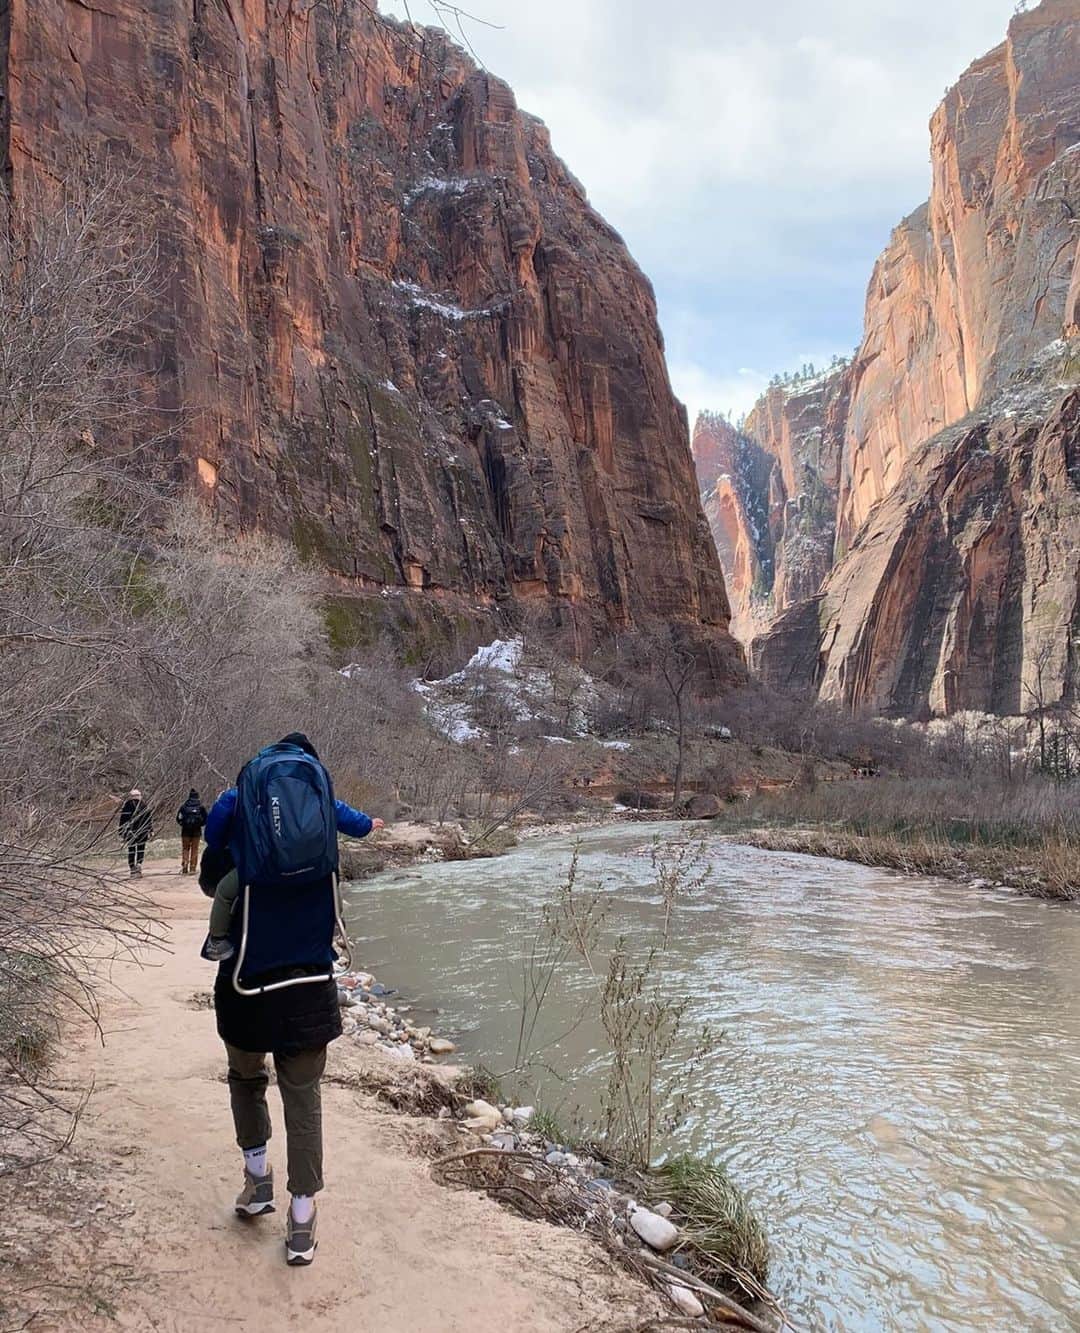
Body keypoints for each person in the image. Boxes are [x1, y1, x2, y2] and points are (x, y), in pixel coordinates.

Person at [202, 732, 383, 1266]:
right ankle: (301, 1225)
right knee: (303, 1097)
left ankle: (258, 1183)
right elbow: (362, 824)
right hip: (309, 982)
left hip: (246, 982)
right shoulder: (324, 801)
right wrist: (370, 824)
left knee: (246, 1078)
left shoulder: (244, 791)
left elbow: (213, 843)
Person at [118, 789, 153, 877]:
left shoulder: (127, 806)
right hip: (143, 831)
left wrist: (121, 831)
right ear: (139, 796)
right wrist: (150, 830)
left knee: (131, 850)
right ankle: (139, 865)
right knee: (141, 848)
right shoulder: (144, 805)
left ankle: (132, 868)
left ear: (131, 796)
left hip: (131, 832)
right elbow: (148, 820)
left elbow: (123, 820)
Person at [176, 788, 208, 875]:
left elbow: (178, 818)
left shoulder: (184, 806)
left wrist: (182, 824)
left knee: (185, 848)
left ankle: (185, 865)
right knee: (195, 849)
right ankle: (193, 868)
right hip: (196, 831)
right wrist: (201, 824)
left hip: (185, 831)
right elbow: (206, 818)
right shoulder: (200, 807)